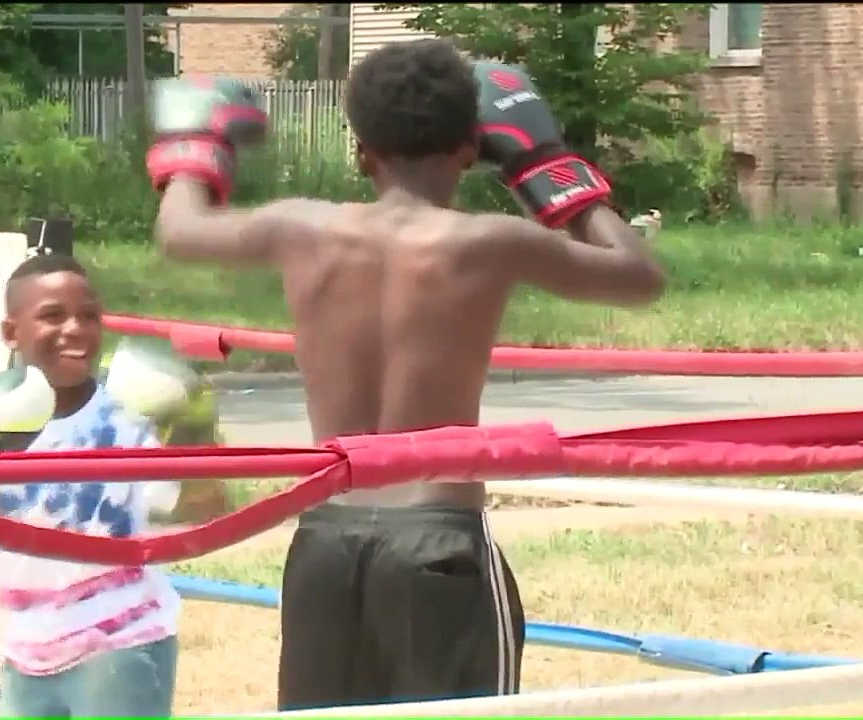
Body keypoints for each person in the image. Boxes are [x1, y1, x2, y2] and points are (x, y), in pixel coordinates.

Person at [143, 40, 667, 711]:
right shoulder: (490, 242)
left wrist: (196, 141)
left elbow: (178, 230)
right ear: (472, 150)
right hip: (436, 540)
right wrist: (547, 167)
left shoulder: (300, 227)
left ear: (361, 150)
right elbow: (639, 275)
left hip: (324, 540)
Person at [0, 251, 206, 719]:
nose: (75, 329)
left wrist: (198, 432)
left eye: (89, 315)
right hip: (26, 647)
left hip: (122, 641)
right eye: (52, 316)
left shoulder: (130, 412)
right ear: (10, 333)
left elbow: (200, 515)